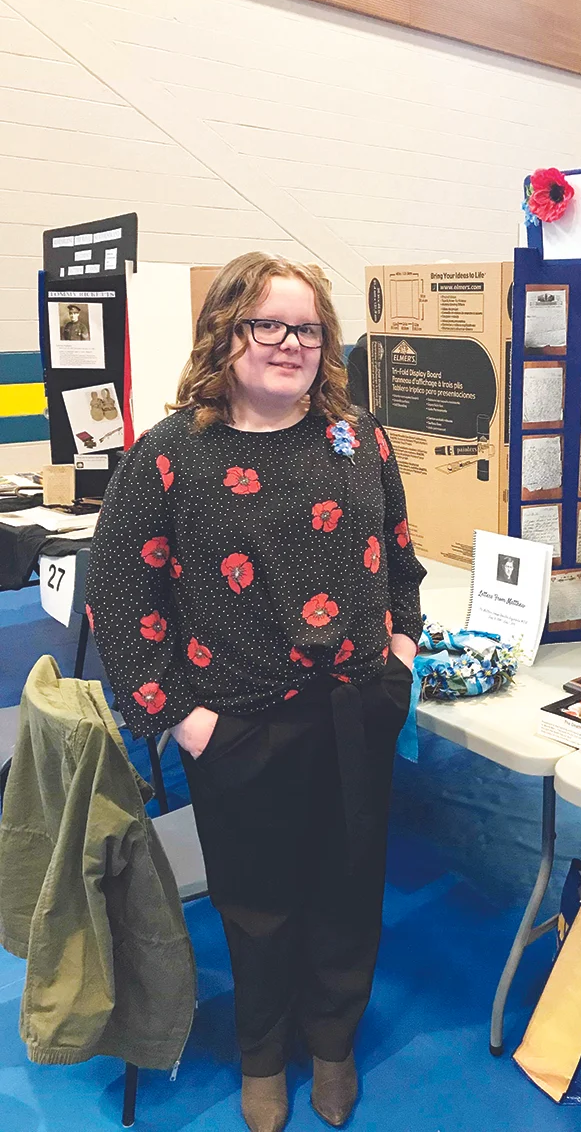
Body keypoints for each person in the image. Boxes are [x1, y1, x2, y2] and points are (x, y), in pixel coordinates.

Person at [85, 252, 425, 1132]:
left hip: (354, 710)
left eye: (306, 328)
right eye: (266, 325)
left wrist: (401, 652)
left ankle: (334, 1043)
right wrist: (179, 719)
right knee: (258, 901)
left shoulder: (360, 437)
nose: (289, 344)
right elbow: (121, 596)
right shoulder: (170, 456)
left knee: (349, 888)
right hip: (235, 725)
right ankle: (264, 1055)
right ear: (227, 334)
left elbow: (398, 552)